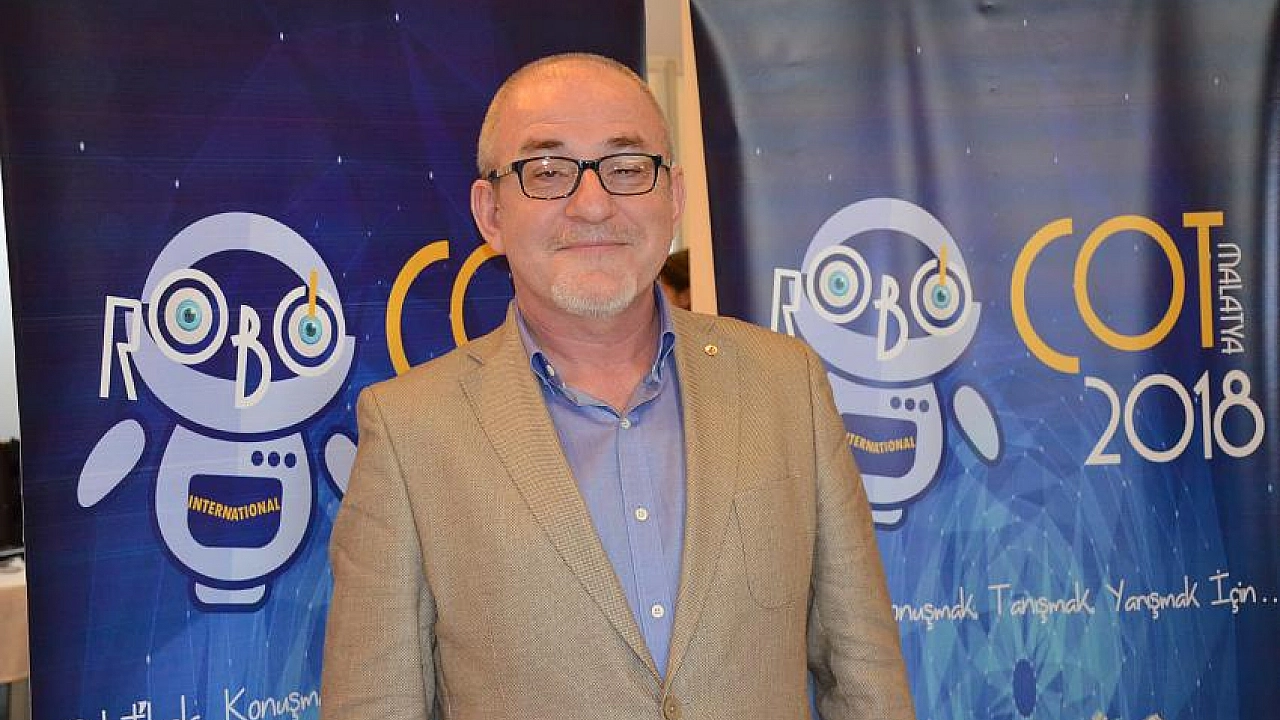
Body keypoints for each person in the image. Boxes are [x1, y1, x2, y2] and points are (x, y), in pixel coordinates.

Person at [320, 52, 914, 720]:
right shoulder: (410, 431)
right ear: (490, 213)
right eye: (547, 172)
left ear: (674, 197)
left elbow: (864, 678)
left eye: (627, 168)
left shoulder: (785, 384)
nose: (593, 204)